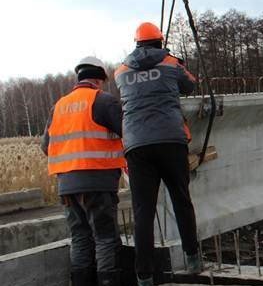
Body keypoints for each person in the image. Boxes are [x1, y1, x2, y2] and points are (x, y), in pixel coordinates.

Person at [114, 22, 202, 286]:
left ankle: (144, 275)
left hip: (137, 146)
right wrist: (178, 61)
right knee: (181, 199)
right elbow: (191, 85)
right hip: (170, 141)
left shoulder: (121, 71)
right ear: (159, 41)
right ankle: (193, 258)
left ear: (137, 43)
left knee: (143, 211)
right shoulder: (171, 63)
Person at [41, 57, 125, 286]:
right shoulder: (103, 101)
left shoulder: (58, 106)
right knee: (105, 238)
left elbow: (45, 146)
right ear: (99, 80)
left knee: (79, 238)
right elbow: (130, 135)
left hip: (66, 186)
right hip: (98, 182)